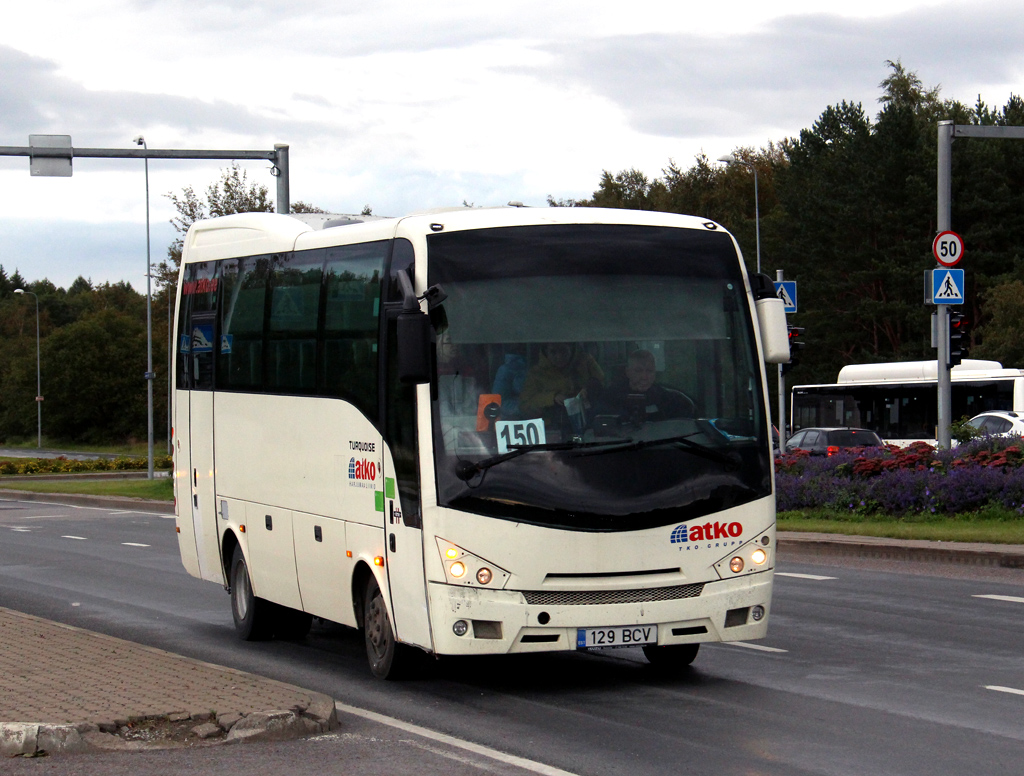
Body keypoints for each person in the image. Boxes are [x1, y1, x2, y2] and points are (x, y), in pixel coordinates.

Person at [598, 349, 695, 424]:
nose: (644, 377)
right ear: (628, 372)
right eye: (638, 371)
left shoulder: (671, 399)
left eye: (649, 371)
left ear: (655, 373)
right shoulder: (610, 398)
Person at [520, 342, 604, 428]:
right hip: (553, 427)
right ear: (546, 352)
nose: (559, 357)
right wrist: (552, 398)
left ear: (572, 349)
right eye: (553, 352)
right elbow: (525, 405)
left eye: (563, 351)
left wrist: (588, 389)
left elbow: (604, 383)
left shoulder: (586, 362)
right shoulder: (536, 373)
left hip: (590, 423)